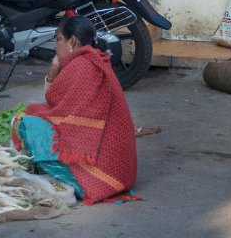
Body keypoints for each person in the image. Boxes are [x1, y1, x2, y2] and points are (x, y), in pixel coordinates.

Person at [12, 15, 137, 204]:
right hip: (122, 173)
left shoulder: (81, 66)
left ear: (72, 41)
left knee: (25, 122)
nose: (55, 46)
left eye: (58, 39)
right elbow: (58, 104)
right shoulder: (93, 60)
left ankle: (74, 180)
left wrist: (53, 71)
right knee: (36, 114)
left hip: (104, 173)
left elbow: (54, 109)